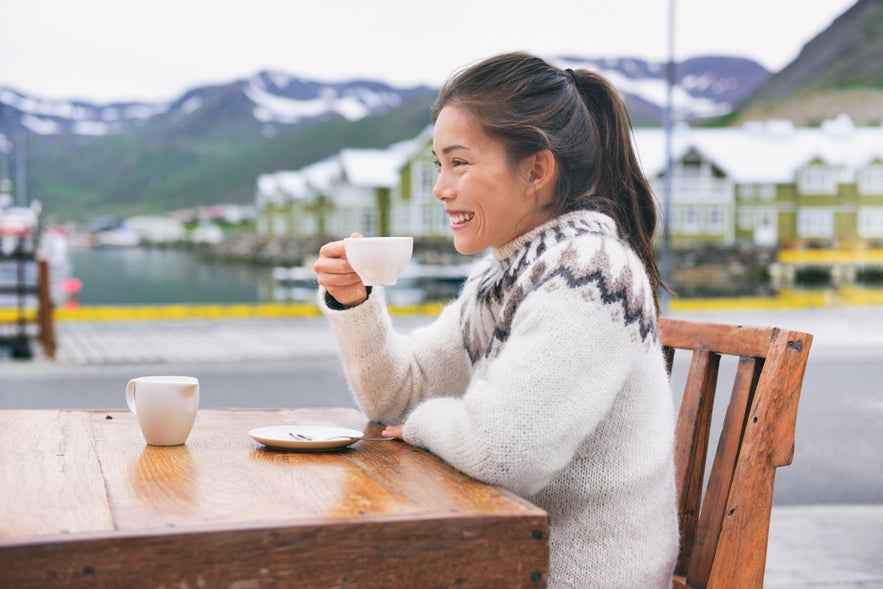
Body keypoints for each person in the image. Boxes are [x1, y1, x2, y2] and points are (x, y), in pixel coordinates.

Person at [313, 51, 679, 588]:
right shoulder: (505, 274)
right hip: (503, 555)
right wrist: (355, 302)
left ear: (536, 169)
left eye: (459, 162)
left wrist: (417, 429)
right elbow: (398, 392)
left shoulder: (590, 274)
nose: (441, 187)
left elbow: (504, 451)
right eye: (439, 164)